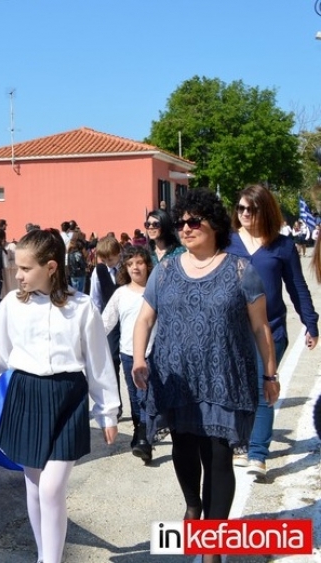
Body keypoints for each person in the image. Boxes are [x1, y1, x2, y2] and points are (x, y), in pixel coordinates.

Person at [0, 228, 119, 563]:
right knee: (35, 488)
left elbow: (98, 363)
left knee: (52, 488)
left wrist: (107, 412)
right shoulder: (11, 305)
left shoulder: (82, 308)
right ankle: (44, 556)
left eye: (25, 268)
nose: (17, 275)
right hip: (26, 394)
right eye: (16, 267)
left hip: (68, 398)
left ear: (51, 267)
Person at [132, 189, 277, 553]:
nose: (185, 228)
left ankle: (213, 540)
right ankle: (193, 505)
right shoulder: (164, 270)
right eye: (180, 222)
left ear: (213, 224)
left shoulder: (241, 270)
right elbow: (145, 318)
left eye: (193, 222)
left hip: (223, 377)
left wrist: (270, 375)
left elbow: (261, 328)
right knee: (183, 448)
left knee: (218, 455)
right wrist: (138, 358)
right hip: (176, 376)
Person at [227, 184, 318, 478]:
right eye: (240, 208)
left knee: (263, 386)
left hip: (272, 329)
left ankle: (257, 453)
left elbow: (297, 287)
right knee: (239, 389)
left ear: (263, 210)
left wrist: (310, 323)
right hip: (234, 331)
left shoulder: (282, 246)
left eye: (250, 209)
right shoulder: (227, 243)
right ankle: (241, 442)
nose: (244, 214)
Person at [101, 245, 154, 462]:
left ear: (147, 265)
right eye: (130, 264)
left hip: (154, 353)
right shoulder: (120, 294)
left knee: (148, 397)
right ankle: (140, 433)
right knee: (135, 397)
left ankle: (144, 438)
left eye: (139, 263)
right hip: (128, 354)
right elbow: (104, 323)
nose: (135, 268)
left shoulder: (155, 290)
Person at [89, 236, 123, 416]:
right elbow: (95, 299)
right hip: (110, 322)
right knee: (112, 361)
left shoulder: (126, 268)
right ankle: (116, 403)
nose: (108, 263)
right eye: (104, 259)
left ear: (118, 254)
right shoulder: (98, 272)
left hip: (127, 319)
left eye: (111, 258)